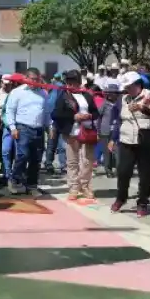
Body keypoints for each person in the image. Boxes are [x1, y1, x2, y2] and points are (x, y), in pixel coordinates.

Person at [109, 71, 150, 217]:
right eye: (126, 86)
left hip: (146, 140)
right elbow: (118, 120)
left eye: (130, 86)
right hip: (126, 140)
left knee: (146, 174)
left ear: (138, 84)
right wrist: (113, 139)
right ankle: (121, 198)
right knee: (123, 171)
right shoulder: (123, 99)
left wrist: (141, 108)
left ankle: (142, 202)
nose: (127, 89)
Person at [52, 70, 100, 202]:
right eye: (68, 82)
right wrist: (73, 117)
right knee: (72, 162)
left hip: (87, 131)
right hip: (71, 132)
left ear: (79, 82)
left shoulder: (87, 95)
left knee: (88, 161)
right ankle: (73, 187)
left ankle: (84, 186)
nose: (70, 84)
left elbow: (96, 113)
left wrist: (89, 116)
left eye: (73, 82)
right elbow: (55, 114)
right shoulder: (63, 96)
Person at [5, 67, 50, 195]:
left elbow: (46, 112)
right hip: (23, 128)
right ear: (26, 78)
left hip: (39, 129)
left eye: (37, 79)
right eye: (32, 79)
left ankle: (32, 185)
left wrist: (49, 126)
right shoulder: (17, 92)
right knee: (23, 155)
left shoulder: (43, 94)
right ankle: (14, 179)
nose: (35, 82)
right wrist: (13, 127)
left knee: (36, 159)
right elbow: (10, 110)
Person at [43, 72, 67, 175]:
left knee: (52, 143)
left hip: (53, 119)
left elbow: (48, 105)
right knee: (60, 144)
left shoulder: (51, 88)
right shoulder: (62, 88)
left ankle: (49, 164)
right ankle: (62, 166)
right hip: (58, 119)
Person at [97, 83, 120, 178]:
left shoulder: (120, 104)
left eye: (112, 93)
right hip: (105, 131)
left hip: (117, 131)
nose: (110, 95)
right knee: (107, 153)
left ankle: (119, 170)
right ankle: (108, 170)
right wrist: (98, 131)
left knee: (118, 152)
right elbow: (98, 117)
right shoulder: (104, 104)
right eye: (108, 93)